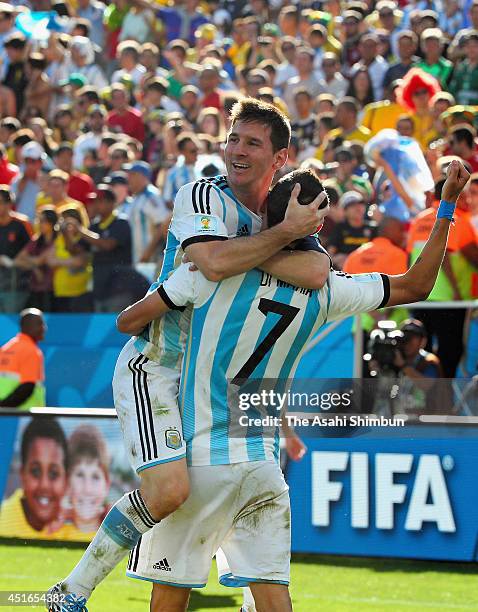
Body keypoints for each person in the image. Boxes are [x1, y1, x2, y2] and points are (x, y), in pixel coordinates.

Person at [115, 160, 469, 612]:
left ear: (268, 217)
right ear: (316, 222)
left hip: (201, 461)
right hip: (262, 467)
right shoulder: (329, 289)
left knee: (169, 598)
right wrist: (447, 207)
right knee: (273, 599)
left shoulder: (218, 271)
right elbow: (418, 285)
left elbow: (131, 320)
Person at [47, 98, 330, 611]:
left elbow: (315, 276)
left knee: (219, 485)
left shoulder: (275, 217)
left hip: (217, 383)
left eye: (252, 142)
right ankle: (69, 593)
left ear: (280, 158)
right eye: (233, 138)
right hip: (156, 369)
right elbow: (213, 261)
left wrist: (285, 234)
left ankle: (249, 591)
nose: (237, 151)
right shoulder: (203, 194)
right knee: (171, 491)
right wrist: (285, 238)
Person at [0, 418, 69, 539]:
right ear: (22, 474)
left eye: (54, 473)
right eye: (35, 471)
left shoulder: (82, 525)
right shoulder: (3, 520)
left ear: (66, 478)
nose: (44, 485)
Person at [65, 425, 111, 536]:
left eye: (95, 477)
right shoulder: (51, 531)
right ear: (68, 483)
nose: (87, 489)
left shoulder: (120, 535)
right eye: (80, 475)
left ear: (107, 485)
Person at [0, 308, 46, 409]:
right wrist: (4, 407)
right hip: (26, 414)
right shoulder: (31, 350)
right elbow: (27, 387)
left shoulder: (5, 348)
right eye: (40, 324)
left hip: (7, 416)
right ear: (26, 326)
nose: (44, 328)